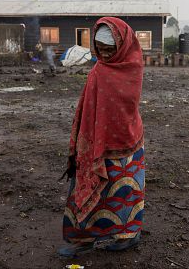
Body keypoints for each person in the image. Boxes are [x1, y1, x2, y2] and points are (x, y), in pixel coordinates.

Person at [59, 17, 145, 257]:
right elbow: (87, 105)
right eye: (100, 50)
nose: (104, 55)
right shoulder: (98, 70)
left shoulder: (132, 66)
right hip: (95, 140)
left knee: (123, 190)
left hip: (126, 140)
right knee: (88, 185)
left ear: (122, 45)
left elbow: (126, 104)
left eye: (110, 50)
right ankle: (84, 237)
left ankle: (128, 235)